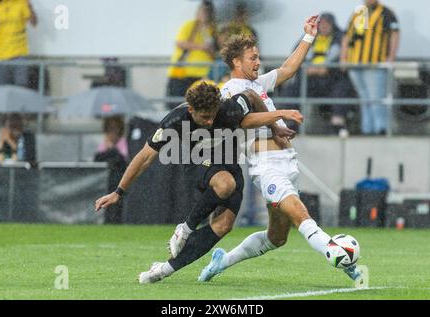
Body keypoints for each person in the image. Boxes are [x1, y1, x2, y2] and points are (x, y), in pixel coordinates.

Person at [198, 17, 363, 283]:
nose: (257, 62)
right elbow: (241, 121)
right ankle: (340, 257)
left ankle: (222, 261)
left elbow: (287, 69)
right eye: (252, 58)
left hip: (287, 161)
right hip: (266, 164)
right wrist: (280, 115)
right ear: (236, 62)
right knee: (301, 213)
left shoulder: (255, 85)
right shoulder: (230, 90)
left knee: (277, 237)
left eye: (258, 57)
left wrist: (308, 38)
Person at [94, 82, 303, 283]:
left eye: (213, 116)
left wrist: (275, 127)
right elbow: (145, 157)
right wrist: (118, 192)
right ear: (191, 110)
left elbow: (251, 95)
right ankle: (185, 227)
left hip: (230, 165)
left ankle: (163, 270)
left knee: (223, 226)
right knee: (225, 185)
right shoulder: (175, 120)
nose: (211, 122)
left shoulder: (228, 108)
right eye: (205, 117)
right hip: (198, 165)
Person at [285, 13, 356, 134]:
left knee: (343, 87)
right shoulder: (309, 37)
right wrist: (306, 68)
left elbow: (344, 61)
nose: (324, 26)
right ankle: (292, 122)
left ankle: (337, 123)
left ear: (333, 25)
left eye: (327, 23)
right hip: (310, 78)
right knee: (292, 88)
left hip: (331, 78)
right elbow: (296, 55)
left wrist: (328, 69)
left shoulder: (340, 39)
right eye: (321, 23)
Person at [340, 0, 400, 135]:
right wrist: (343, 57)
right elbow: (348, 35)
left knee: (376, 98)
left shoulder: (387, 13)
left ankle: (380, 129)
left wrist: (391, 57)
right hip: (355, 62)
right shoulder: (359, 12)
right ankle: (367, 129)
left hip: (375, 63)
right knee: (364, 99)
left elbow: (394, 34)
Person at [165, 0, 218, 110]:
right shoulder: (190, 25)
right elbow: (180, 43)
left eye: (208, 12)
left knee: (198, 105)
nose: (206, 14)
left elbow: (215, 51)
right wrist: (202, 47)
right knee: (178, 105)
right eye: (203, 11)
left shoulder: (212, 30)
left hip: (202, 74)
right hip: (183, 73)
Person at [0, 0, 38, 87]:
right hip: (1, 57)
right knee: (2, 91)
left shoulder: (20, 3)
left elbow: (34, 23)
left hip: (19, 55)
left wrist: (30, 7)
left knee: (21, 90)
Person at [94, 116, 129, 224]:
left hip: (119, 179)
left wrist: (113, 149)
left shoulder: (123, 143)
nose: (112, 132)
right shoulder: (103, 144)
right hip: (104, 181)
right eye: (110, 129)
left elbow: (123, 159)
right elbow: (97, 160)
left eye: (115, 128)